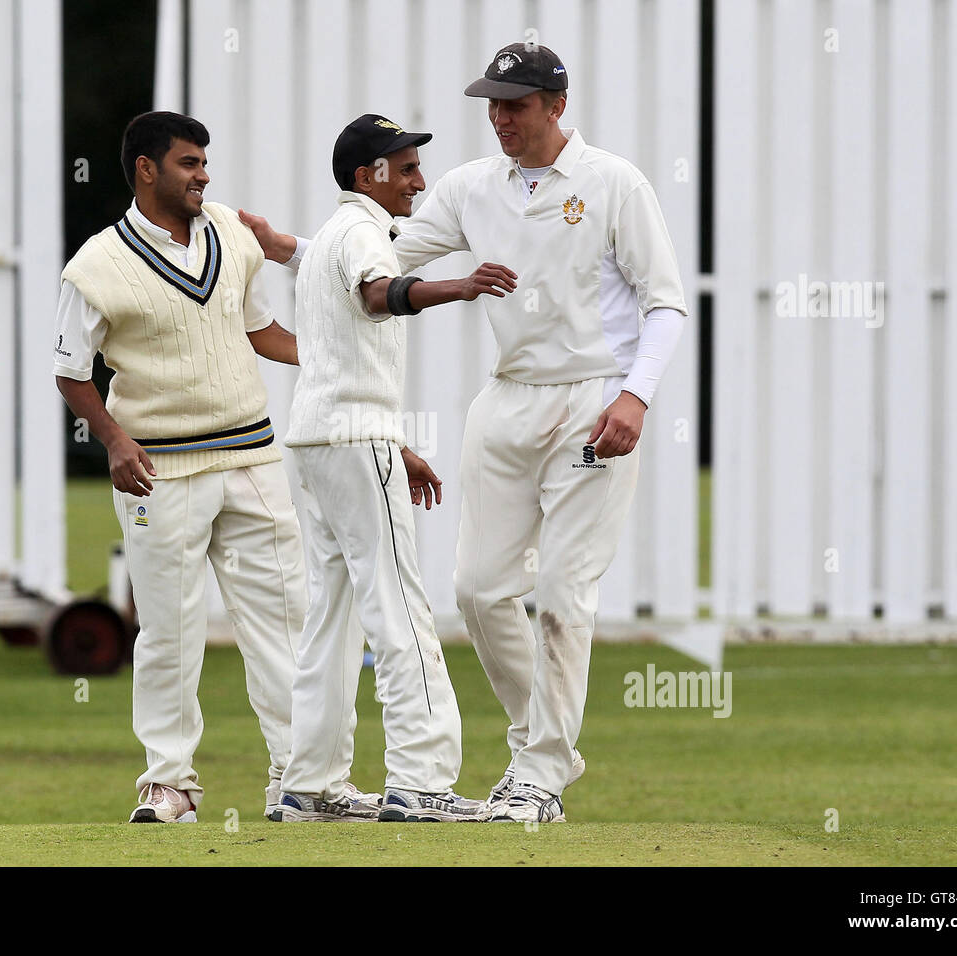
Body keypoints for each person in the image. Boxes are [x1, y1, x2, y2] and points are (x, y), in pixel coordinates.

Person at [241, 43, 688, 823]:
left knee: (562, 596)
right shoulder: (471, 187)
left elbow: (665, 303)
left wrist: (635, 397)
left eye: (515, 104)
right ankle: (538, 743)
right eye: (492, 103)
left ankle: (540, 773)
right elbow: (378, 267)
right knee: (478, 590)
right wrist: (288, 248)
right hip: (507, 398)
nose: (500, 118)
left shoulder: (615, 184)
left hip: (593, 399)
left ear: (556, 104)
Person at [53, 111, 378, 824]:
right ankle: (169, 784)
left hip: (252, 456)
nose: (203, 175)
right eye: (188, 163)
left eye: (204, 162)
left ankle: (302, 782)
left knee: (287, 619)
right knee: (169, 629)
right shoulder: (96, 265)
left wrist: (337, 361)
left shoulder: (232, 233)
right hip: (159, 468)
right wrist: (113, 440)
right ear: (146, 169)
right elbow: (71, 372)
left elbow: (259, 328)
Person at [268, 115, 516, 823]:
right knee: (400, 607)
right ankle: (422, 780)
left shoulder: (326, 245)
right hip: (351, 440)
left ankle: (310, 784)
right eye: (405, 167)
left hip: (318, 442)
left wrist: (395, 444)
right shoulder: (362, 235)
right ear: (367, 174)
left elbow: (339, 352)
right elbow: (380, 298)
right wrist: (460, 286)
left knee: (333, 617)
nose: (418, 180)